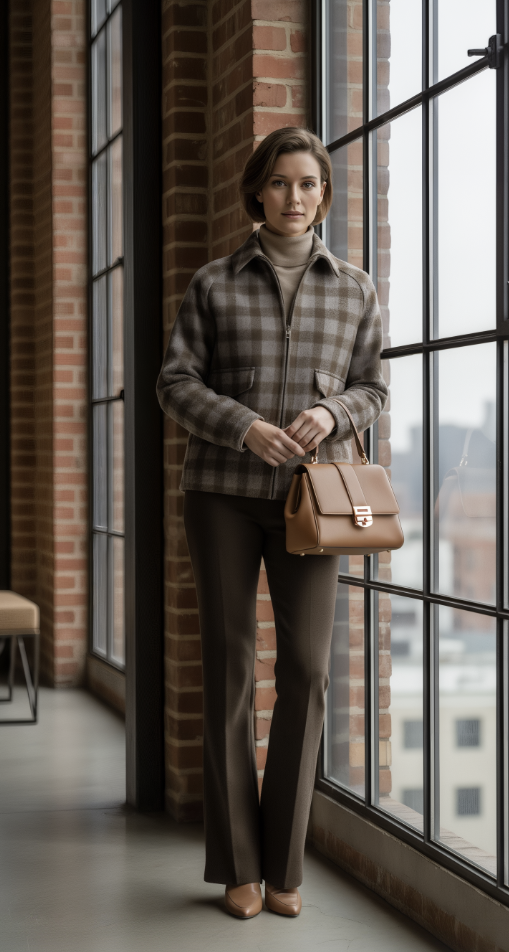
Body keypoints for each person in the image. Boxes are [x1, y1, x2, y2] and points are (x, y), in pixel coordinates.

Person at [157, 127, 387, 919]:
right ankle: (238, 867)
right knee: (228, 671)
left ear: (324, 195)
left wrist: (331, 409)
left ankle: (284, 864)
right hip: (220, 493)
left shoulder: (353, 287)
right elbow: (174, 383)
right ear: (257, 191)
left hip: (314, 501)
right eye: (281, 183)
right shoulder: (214, 284)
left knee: (307, 672)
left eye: (309, 184)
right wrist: (243, 426)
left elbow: (373, 389)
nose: (295, 197)